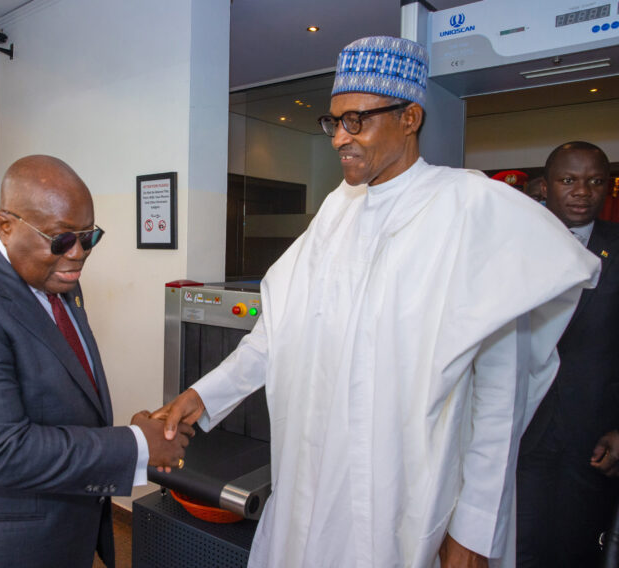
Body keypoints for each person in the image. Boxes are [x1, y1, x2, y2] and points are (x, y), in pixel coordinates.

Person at [151, 37, 600, 568]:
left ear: (410, 117)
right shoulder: (335, 213)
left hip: (403, 497)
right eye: (334, 121)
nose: (340, 137)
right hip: (311, 483)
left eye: (357, 120)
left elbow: (498, 399)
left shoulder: (472, 209)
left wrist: (475, 529)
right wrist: (201, 397)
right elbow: (277, 336)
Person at [0, 155, 193, 568]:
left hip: (56, 533)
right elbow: (3, 452)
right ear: (5, 225)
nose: (78, 254)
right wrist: (137, 444)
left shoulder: (58, 281)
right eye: (60, 239)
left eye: (88, 237)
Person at [517, 141, 619, 567]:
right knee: (520, 546)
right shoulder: (513, 243)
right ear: (545, 186)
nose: (582, 191)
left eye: (595, 181)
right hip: (522, 432)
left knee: (580, 551)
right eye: (568, 180)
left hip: (595, 440)